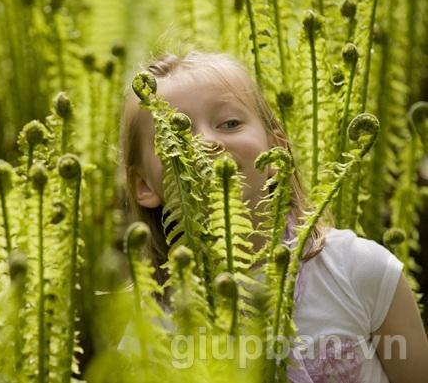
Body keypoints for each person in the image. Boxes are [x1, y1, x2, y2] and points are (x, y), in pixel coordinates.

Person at [120, 51, 428, 382]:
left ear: (275, 149)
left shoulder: (358, 271)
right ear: (143, 185)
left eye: (230, 123)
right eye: (176, 136)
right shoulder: (149, 329)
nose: (206, 142)